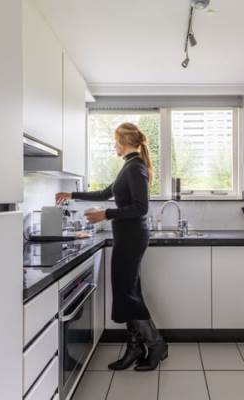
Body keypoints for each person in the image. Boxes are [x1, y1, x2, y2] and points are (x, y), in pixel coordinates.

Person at [55, 122, 168, 371]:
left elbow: (141, 208)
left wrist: (105, 214)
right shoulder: (129, 166)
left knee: (127, 293)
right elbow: (106, 193)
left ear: (124, 141)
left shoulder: (135, 167)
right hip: (127, 237)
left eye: (115, 141)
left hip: (131, 238)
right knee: (128, 292)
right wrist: (72, 195)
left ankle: (156, 344)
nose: (113, 145)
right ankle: (136, 347)